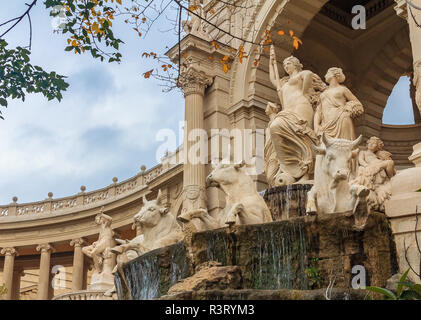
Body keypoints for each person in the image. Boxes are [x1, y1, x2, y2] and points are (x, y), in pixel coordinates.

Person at [268, 45, 325, 185]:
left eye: (289, 63)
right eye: (284, 65)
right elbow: (273, 79)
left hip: (301, 106)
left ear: (296, 65)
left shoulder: (303, 74)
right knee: (275, 127)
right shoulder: (283, 83)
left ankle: (307, 168)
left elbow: (309, 77)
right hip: (287, 111)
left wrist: (305, 92)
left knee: (302, 134)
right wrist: (271, 62)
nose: (286, 66)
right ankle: (291, 168)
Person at [314, 67, 364, 140]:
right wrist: (316, 125)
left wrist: (348, 108)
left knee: (344, 145)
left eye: (327, 73)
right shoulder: (323, 93)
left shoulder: (343, 89)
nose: (325, 75)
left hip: (341, 119)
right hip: (326, 123)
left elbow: (357, 104)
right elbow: (318, 111)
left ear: (334, 75)